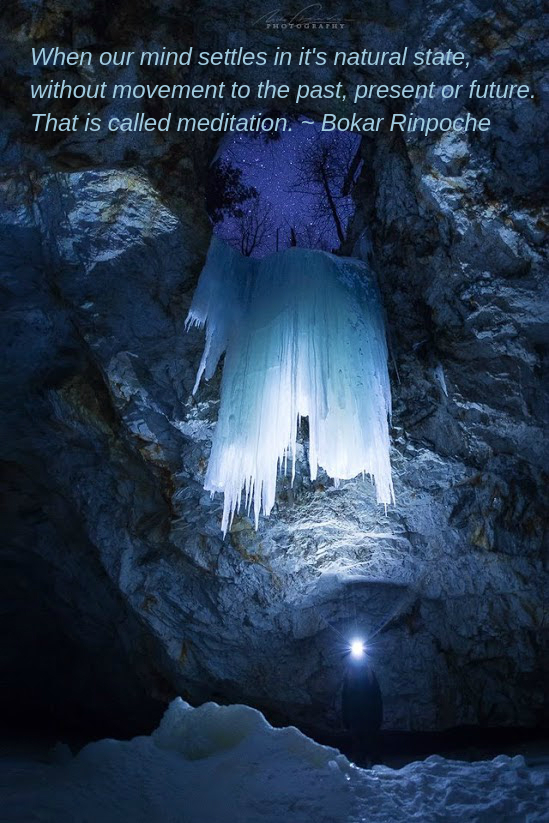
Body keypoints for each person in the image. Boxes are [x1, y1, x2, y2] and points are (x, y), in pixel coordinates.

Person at [341, 644, 383, 765]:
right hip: (357, 717)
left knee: (371, 746)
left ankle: (374, 768)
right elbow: (345, 698)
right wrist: (346, 719)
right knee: (359, 748)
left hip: (367, 717)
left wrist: (378, 717)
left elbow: (377, 697)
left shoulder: (368, 674)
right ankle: (364, 767)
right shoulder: (350, 675)